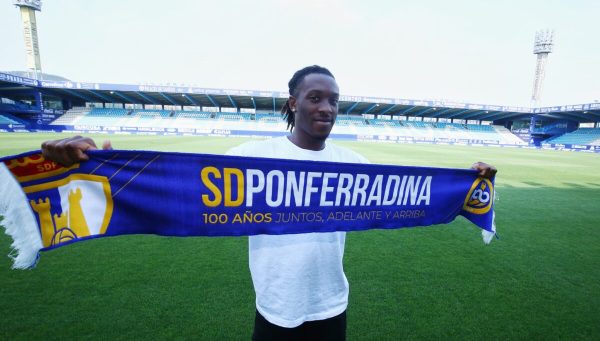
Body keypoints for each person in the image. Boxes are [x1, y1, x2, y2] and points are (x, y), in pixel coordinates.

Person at [41, 65, 497, 340]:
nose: (326, 108)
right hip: (276, 306)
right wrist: (94, 163)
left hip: (332, 304)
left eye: (334, 101)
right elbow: (180, 183)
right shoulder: (251, 158)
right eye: (315, 98)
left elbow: (410, 195)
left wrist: (468, 186)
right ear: (293, 103)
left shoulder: (353, 163)